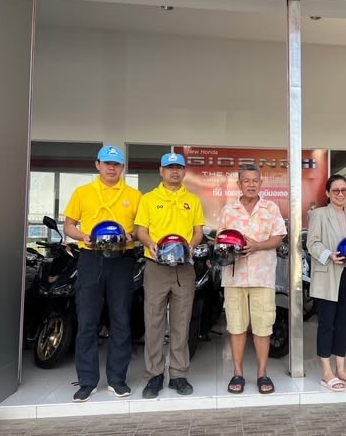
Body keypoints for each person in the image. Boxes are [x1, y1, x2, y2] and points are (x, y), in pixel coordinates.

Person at [63, 145, 142, 402]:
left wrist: (131, 235)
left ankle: (117, 380)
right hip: (91, 258)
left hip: (121, 260)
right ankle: (87, 381)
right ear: (98, 164)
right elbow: (69, 225)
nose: (111, 168)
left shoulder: (134, 195)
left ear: (122, 168)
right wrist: (82, 236)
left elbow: (142, 229)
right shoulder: (82, 192)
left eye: (116, 164)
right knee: (87, 321)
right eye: (107, 163)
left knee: (121, 319)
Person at [135, 152, 204, 399]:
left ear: (184, 172)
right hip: (156, 266)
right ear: (161, 171)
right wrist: (150, 244)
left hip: (184, 267)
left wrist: (191, 246)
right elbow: (141, 230)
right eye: (169, 167)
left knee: (181, 322)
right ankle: (153, 375)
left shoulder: (192, 200)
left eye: (179, 167)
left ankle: (178, 374)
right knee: (153, 321)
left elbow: (198, 231)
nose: (174, 171)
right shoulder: (149, 199)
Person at [219, 164, 286, 395]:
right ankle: (237, 373)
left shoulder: (271, 208)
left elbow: (278, 238)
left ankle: (262, 374)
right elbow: (220, 240)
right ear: (239, 184)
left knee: (263, 327)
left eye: (255, 180)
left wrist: (257, 245)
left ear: (261, 183)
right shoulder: (229, 210)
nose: (251, 184)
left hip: (262, 276)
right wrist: (229, 248)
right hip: (234, 277)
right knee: (236, 327)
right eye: (246, 181)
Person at [307, 174, 346, 392]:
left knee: (343, 322)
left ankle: (341, 369)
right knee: (327, 323)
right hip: (328, 275)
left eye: (344, 190)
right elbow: (312, 243)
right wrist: (329, 255)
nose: (340, 194)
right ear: (327, 193)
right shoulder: (318, 214)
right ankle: (326, 372)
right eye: (336, 190)